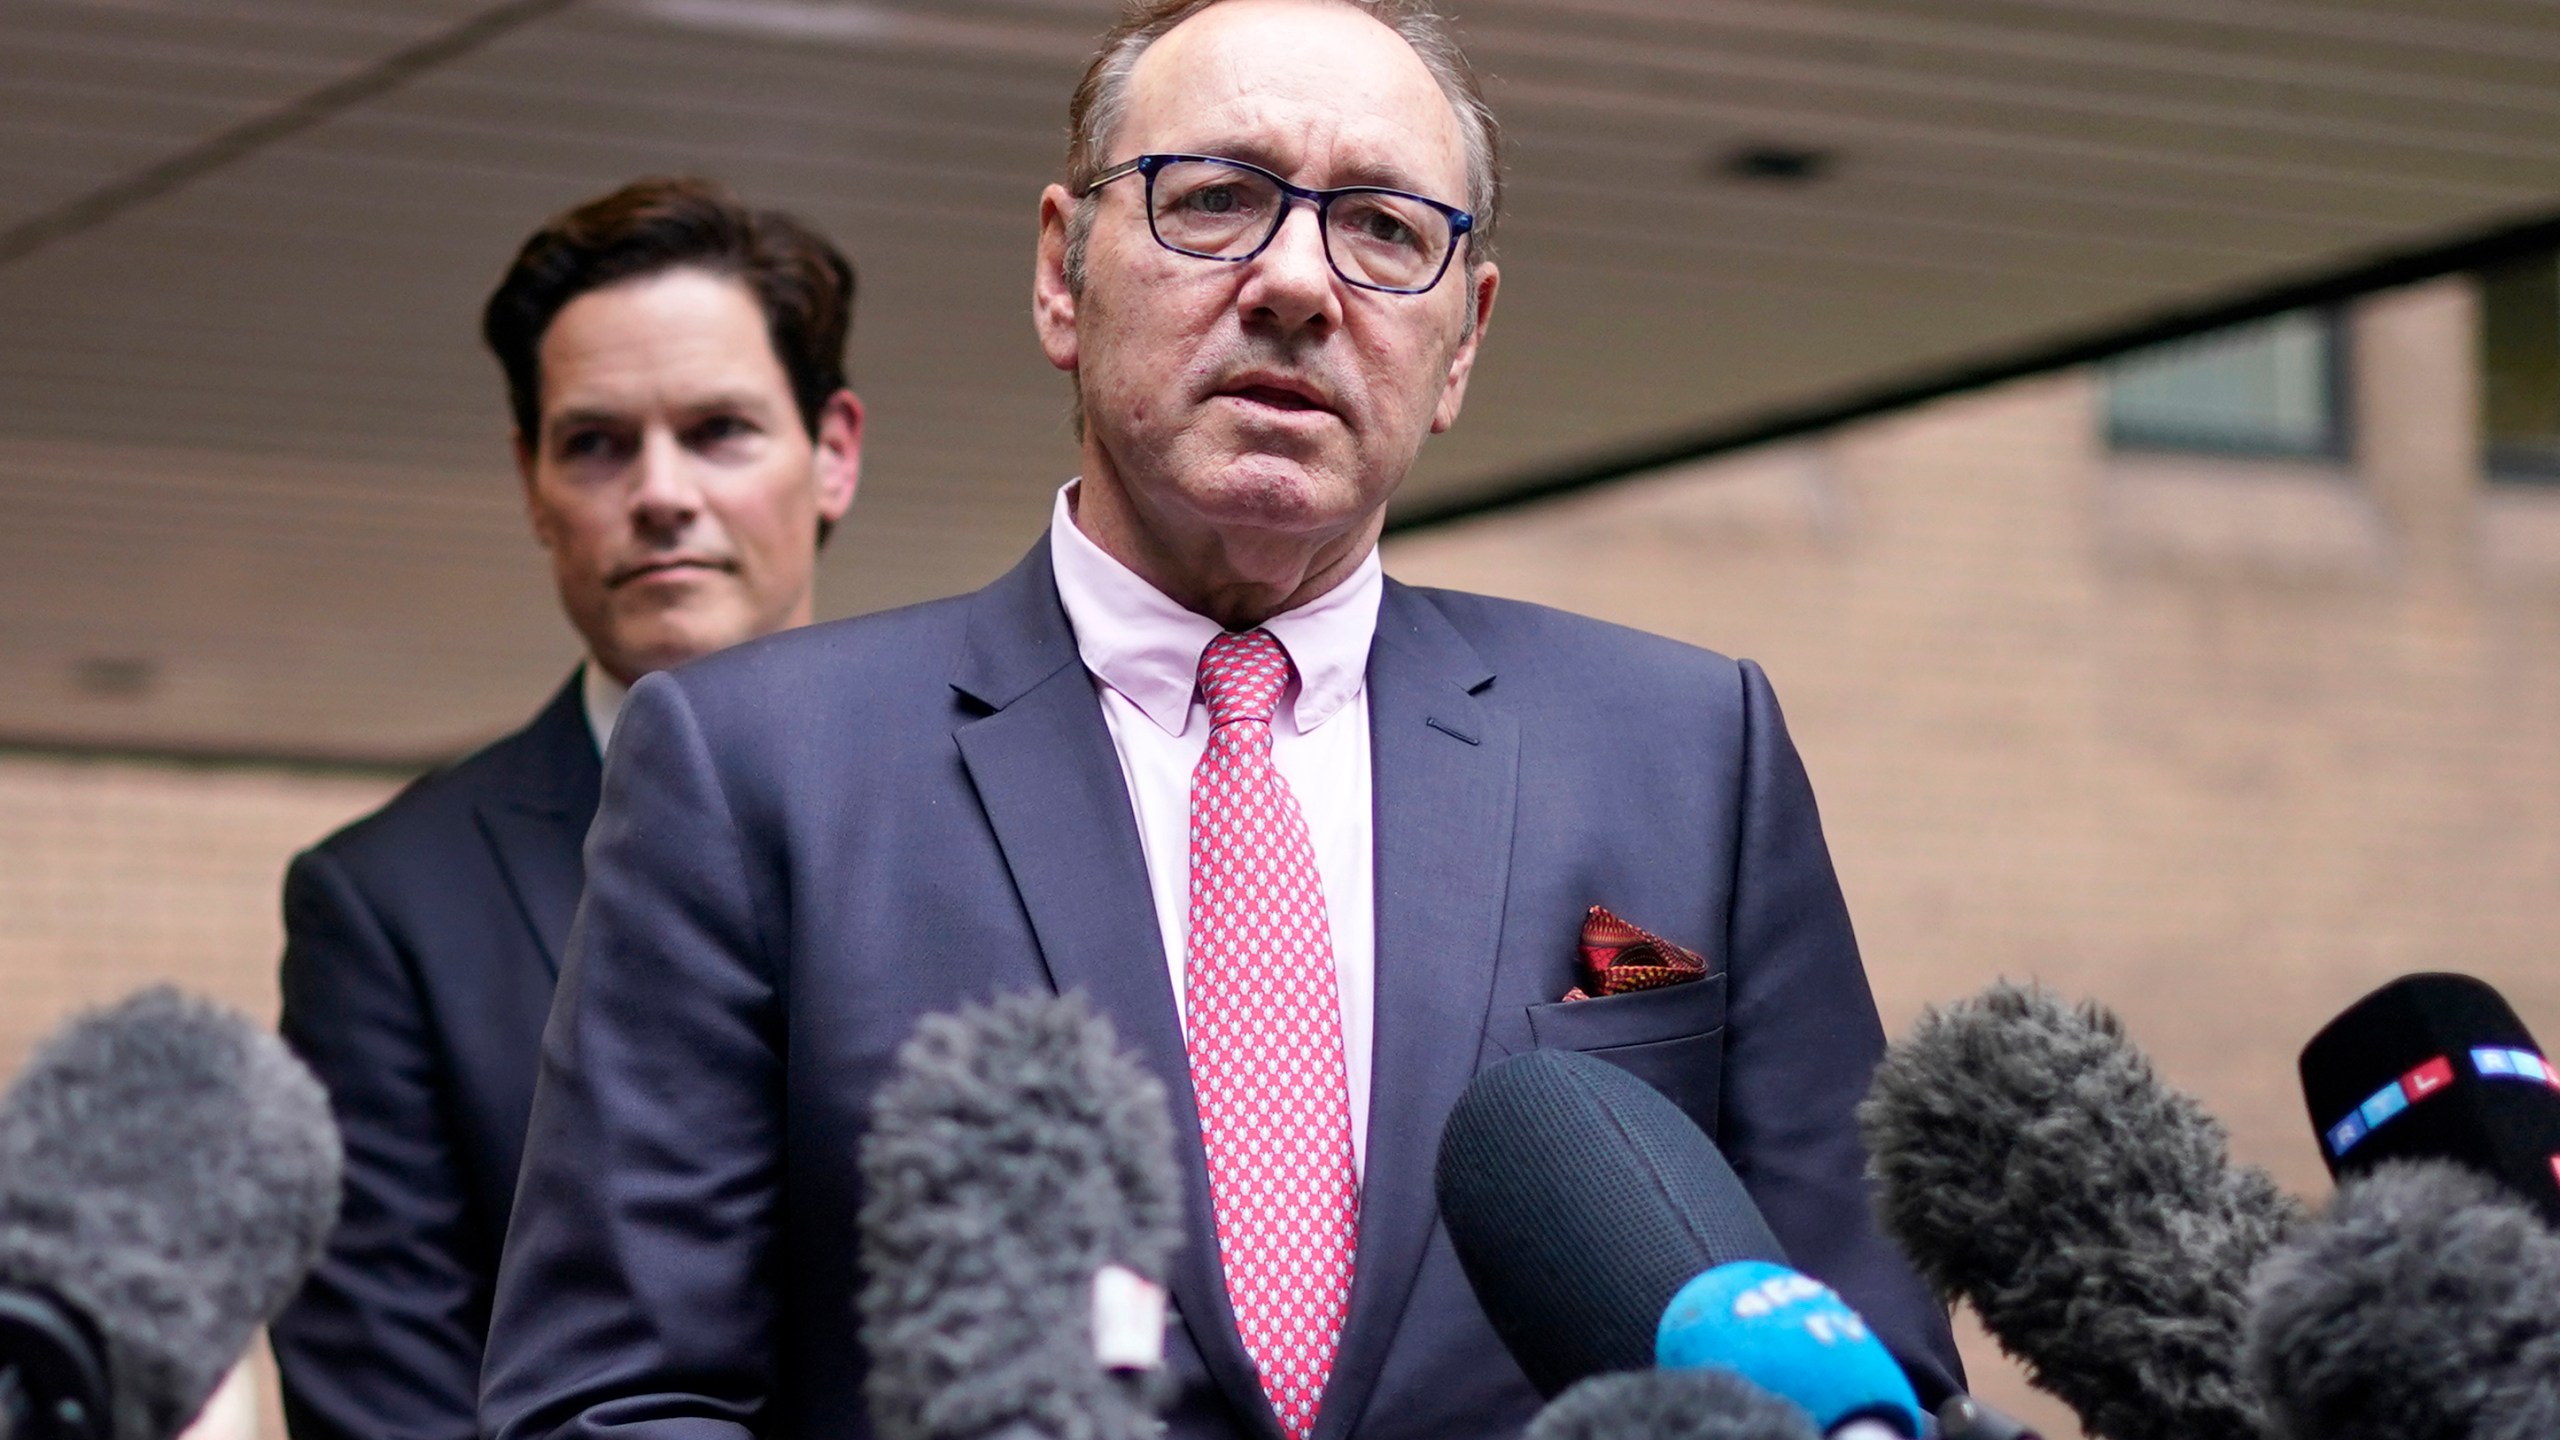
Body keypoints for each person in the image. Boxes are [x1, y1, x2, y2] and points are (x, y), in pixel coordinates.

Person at [481, 3, 1963, 1437]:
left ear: (1462, 342)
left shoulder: (1688, 751)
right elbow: (612, 1402)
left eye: (1384, 228)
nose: (1299, 284)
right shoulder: (754, 768)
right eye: (1215, 200)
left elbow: (1872, 1370)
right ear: (1061, 275)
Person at [271, 176, 863, 1440]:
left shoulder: (994, 804)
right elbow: (388, 1403)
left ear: (835, 453)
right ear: (533, 486)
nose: (659, 492)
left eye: (718, 430)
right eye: (596, 443)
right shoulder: (388, 907)